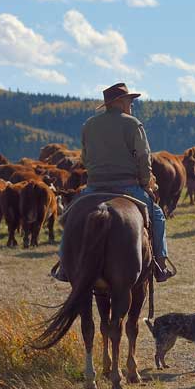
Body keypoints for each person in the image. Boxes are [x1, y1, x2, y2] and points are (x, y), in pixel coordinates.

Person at [51, 82, 175, 282]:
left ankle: (64, 264)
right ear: (119, 102)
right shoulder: (133, 124)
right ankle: (160, 264)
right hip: (127, 186)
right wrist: (146, 184)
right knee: (158, 215)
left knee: (71, 216)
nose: (132, 105)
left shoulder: (89, 125)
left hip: (94, 187)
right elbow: (144, 157)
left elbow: (86, 157)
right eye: (129, 101)